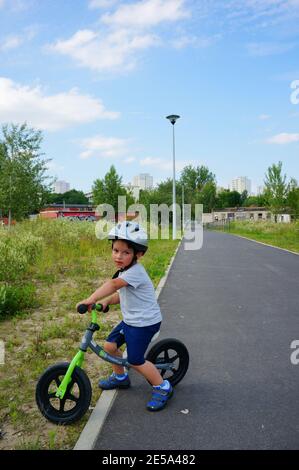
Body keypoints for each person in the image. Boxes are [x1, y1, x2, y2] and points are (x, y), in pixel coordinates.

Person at [76, 221, 173, 412]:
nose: (118, 256)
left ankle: (163, 387)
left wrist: (90, 299)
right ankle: (121, 378)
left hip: (145, 323)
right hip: (131, 321)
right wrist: (104, 302)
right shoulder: (125, 271)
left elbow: (113, 285)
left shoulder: (135, 272)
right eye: (115, 250)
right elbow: (120, 294)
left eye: (125, 252)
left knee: (136, 360)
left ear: (139, 254)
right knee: (110, 346)